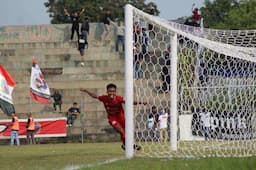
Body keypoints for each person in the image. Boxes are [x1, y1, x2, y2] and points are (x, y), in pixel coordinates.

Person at [80, 83, 143, 151]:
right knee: (122, 132)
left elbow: (130, 102)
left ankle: (125, 145)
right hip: (112, 118)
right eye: (110, 91)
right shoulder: (104, 98)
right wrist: (86, 91)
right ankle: (131, 145)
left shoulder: (119, 98)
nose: (111, 93)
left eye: (113, 91)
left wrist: (142, 102)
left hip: (121, 117)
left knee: (125, 132)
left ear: (115, 92)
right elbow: (95, 96)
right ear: (107, 92)